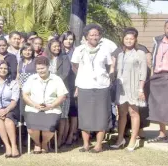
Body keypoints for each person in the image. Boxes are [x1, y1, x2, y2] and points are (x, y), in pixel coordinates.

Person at [71, 24, 115, 153]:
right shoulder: (79, 50)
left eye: (96, 34)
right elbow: (74, 66)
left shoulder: (105, 49)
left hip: (102, 87)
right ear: (86, 36)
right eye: (91, 34)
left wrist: (103, 77)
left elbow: (109, 66)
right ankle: (86, 144)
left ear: (100, 36)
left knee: (101, 116)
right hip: (85, 86)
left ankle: (98, 145)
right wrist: (83, 76)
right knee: (85, 116)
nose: (94, 37)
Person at [22, 56, 69, 154]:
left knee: (50, 127)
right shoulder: (31, 78)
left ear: (48, 67)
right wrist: (34, 105)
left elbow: (62, 96)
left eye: (42, 68)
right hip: (33, 108)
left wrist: (51, 106)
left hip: (52, 109)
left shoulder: (56, 79)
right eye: (38, 69)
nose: (40, 71)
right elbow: (25, 95)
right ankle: (37, 143)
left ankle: (44, 143)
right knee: (31, 128)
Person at [111, 29, 147, 151]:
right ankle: (120, 138)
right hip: (121, 88)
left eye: (131, 39)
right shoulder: (120, 54)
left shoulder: (140, 53)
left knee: (133, 113)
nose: (128, 41)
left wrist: (141, 89)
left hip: (134, 87)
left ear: (135, 39)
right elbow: (116, 71)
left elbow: (143, 73)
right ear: (123, 40)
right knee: (122, 114)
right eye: (126, 39)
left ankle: (133, 139)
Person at [45, 39, 74, 147]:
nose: (56, 48)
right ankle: (50, 139)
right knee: (51, 114)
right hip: (48, 91)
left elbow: (65, 73)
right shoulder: (46, 58)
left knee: (63, 116)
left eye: (58, 46)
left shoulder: (65, 57)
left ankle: (60, 139)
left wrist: (54, 83)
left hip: (62, 90)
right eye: (54, 46)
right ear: (49, 47)